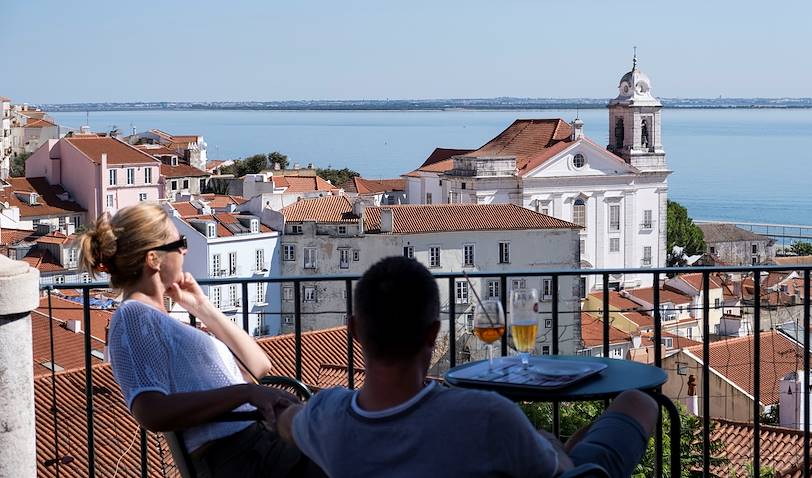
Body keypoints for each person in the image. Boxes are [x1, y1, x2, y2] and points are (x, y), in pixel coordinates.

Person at [278, 256, 658, 478]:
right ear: (433, 334)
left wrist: (258, 396)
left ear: (354, 331)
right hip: (565, 469)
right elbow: (553, 472)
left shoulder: (325, 418)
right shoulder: (486, 416)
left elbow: (286, 419)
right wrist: (552, 445)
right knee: (639, 404)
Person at [77, 203, 324, 478]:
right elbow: (150, 411)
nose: (185, 250)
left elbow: (258, 366)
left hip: (255, 449)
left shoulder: (158, 318)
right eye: (179, 243)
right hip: (241, 457)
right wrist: (245, 393)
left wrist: (202, 306)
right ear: (153, 259)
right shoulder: (134, 316)